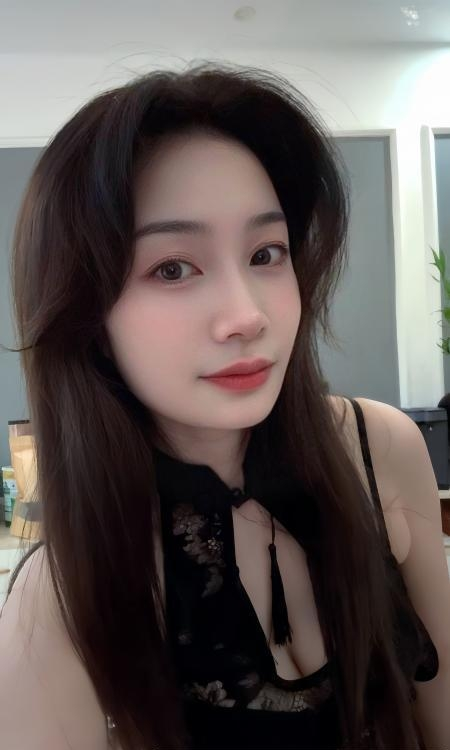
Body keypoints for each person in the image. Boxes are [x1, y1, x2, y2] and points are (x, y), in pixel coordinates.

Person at [0, 60, 448, 750]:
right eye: (172, 268)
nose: (247, 315)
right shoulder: (60, 603)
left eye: (266, 254)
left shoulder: (379, 447)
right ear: (86, 312)